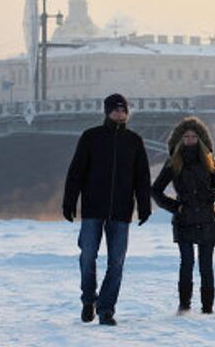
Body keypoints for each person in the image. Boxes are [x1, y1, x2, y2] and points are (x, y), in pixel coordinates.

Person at [62, 93, 152, 326]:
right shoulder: (91, 137)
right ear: (107, 112)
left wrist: (144, 205)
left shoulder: (134, 141)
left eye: (123, 110)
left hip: (121, 212)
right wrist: (69, 201)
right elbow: (76, 172)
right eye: (115, 110)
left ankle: (106, 309)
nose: (119, 114)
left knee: (116, 263)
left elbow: (141, 177)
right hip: (93, 209)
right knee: (88, 256)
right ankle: (88, 299)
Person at [152, 116, 215, 314]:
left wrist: (210, 195)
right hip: (184, 219)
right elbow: (156, 190)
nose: (190, 140)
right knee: (187, 263)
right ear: (180, 139)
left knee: (206, 265)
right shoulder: (174, 162)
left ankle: (208, 307)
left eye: (194, 136)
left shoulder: (209, 161)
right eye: (186, 136)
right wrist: (175, 207)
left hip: (207, 219)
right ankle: (184, 305)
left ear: (200, 139)